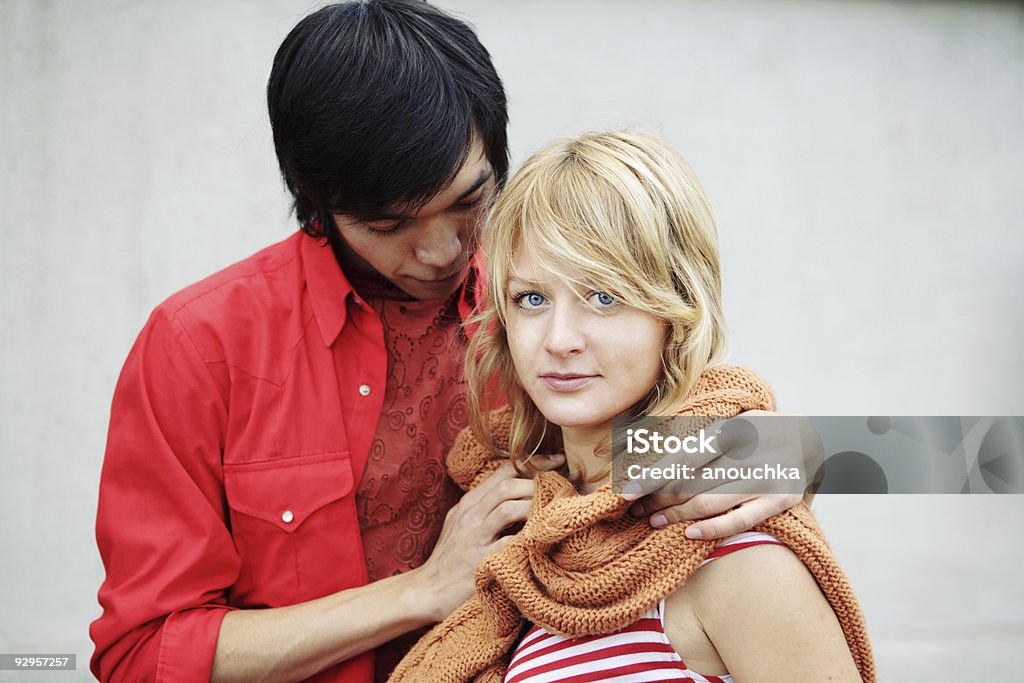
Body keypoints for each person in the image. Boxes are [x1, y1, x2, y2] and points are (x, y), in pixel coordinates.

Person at [90, 2, 816, 682]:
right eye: (388, 224)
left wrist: (796, 450)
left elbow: (655, 439)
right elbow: (140, 650)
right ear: (319, 205)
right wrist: (421, 591)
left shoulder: (536, 312)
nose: (441, 249)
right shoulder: (199, 345)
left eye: (470, 201)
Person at [390, 130, 872, 682]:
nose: (559, 339)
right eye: (533, 298)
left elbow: (978, 456)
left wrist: (822, 446)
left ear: (677, 309)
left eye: (604, 297)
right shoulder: (525, 547)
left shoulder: (727, 548)